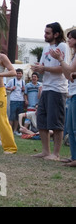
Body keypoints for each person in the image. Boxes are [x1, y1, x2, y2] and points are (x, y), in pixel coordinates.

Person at [31, 22, 70, 161]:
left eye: (48, 33)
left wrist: (44, 69)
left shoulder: (62, 47)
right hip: (46, 87)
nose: (45, 35)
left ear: (56, 34)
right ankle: (45, 151)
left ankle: (56, 153)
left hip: (57, 89)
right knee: (41, 119)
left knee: (56, 122)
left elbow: (63, 68)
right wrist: (37, 67)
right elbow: (43, 65)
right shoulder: (46, 48)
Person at [49, 28, 76, 167]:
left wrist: (60, 59)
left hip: (74, 94)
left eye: (71, 38)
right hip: (71, 93)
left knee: (75, 128)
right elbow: (68, 75)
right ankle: (73, 156)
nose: (69, 40)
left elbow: (70, 71)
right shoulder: (73, 56)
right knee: (70, 128)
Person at [6, 68, 26, 135]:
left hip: (21, 100)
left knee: (18, 116)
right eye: (17, 73)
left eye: (20, 73)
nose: (18, 74)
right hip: (13, 100)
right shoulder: (12, 81)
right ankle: (9, 130)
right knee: (12, 116)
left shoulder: (23, 82)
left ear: (22, 74)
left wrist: (23, 89)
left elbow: (24, 91)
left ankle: (15, 131)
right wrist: (11, 88)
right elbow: (6, 87)